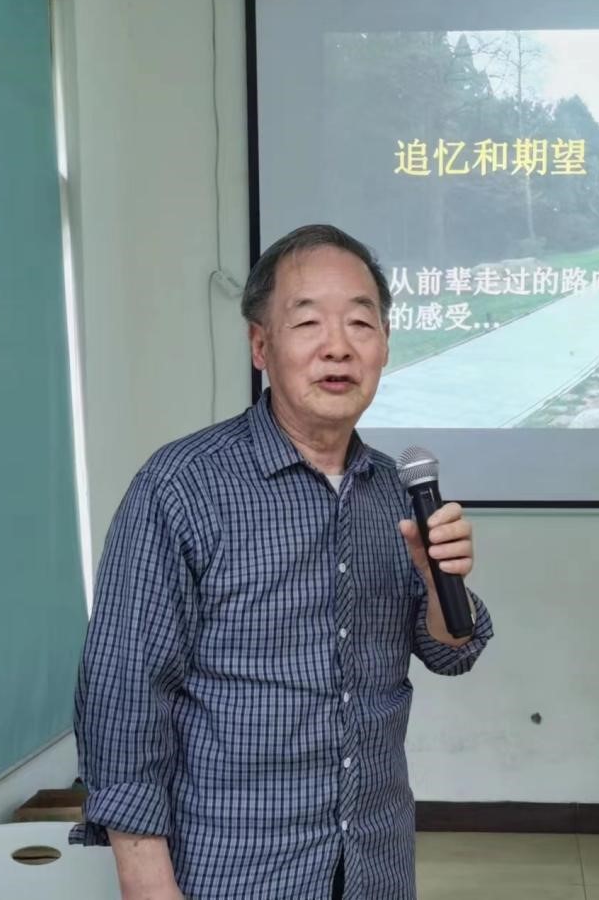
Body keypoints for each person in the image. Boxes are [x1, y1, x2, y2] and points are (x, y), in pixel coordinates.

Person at [70, 224, 495, 900]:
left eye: (361, 322)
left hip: (374, 864)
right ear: (260, 345)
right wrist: (146, 882)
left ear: (385, 345)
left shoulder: (396, 491)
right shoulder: (182, 486)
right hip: (233, 869)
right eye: (308, 322)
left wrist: (441, 584)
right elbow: (123, 690)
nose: (338, 346)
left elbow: (452, 651)